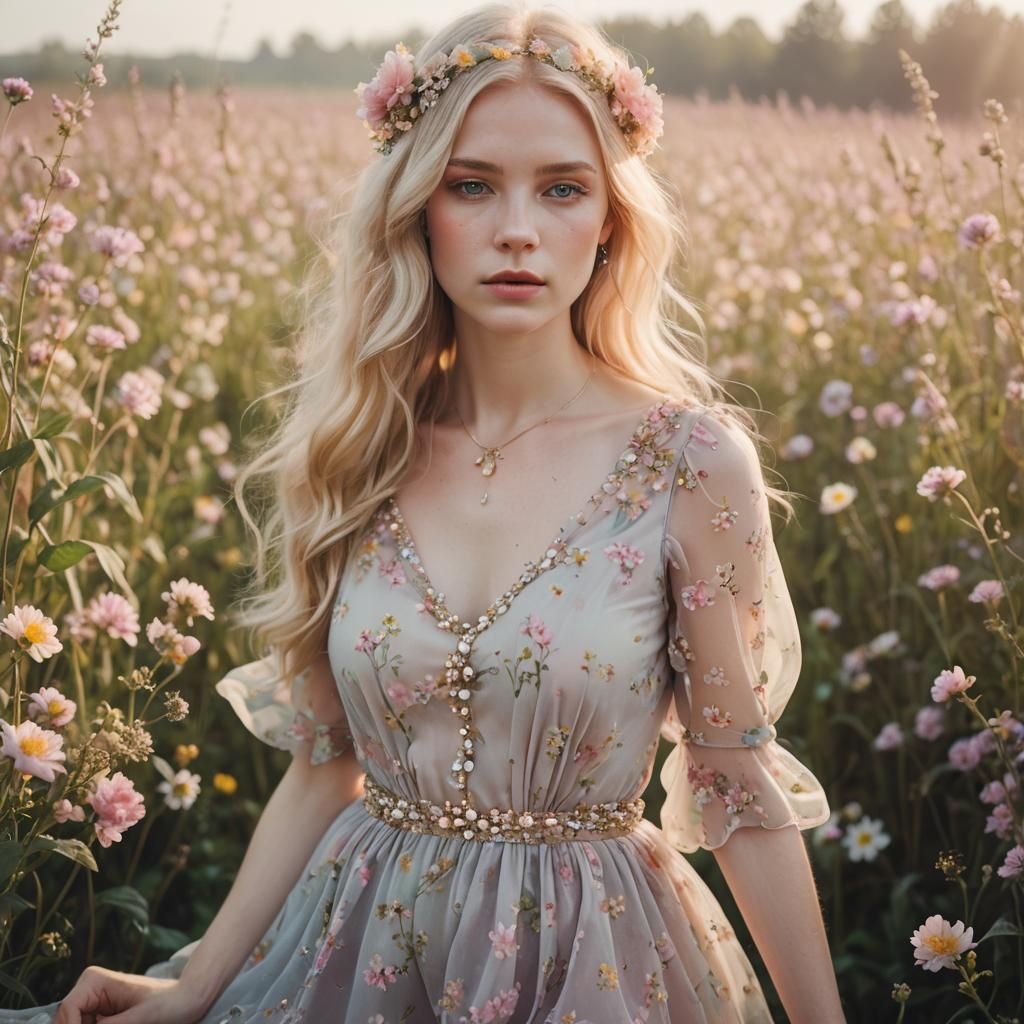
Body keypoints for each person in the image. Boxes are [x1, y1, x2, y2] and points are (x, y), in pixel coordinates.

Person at [1, 2, 845, 1022]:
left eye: (563, 188)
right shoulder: (358, 445)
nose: (518, 229)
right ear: (416, 206)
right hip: (360, 951)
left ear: (612, 221)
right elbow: (323, 769)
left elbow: (733, 785)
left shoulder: (690, 461)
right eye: (472, 184)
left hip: (593, 960)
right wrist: (193, 985)